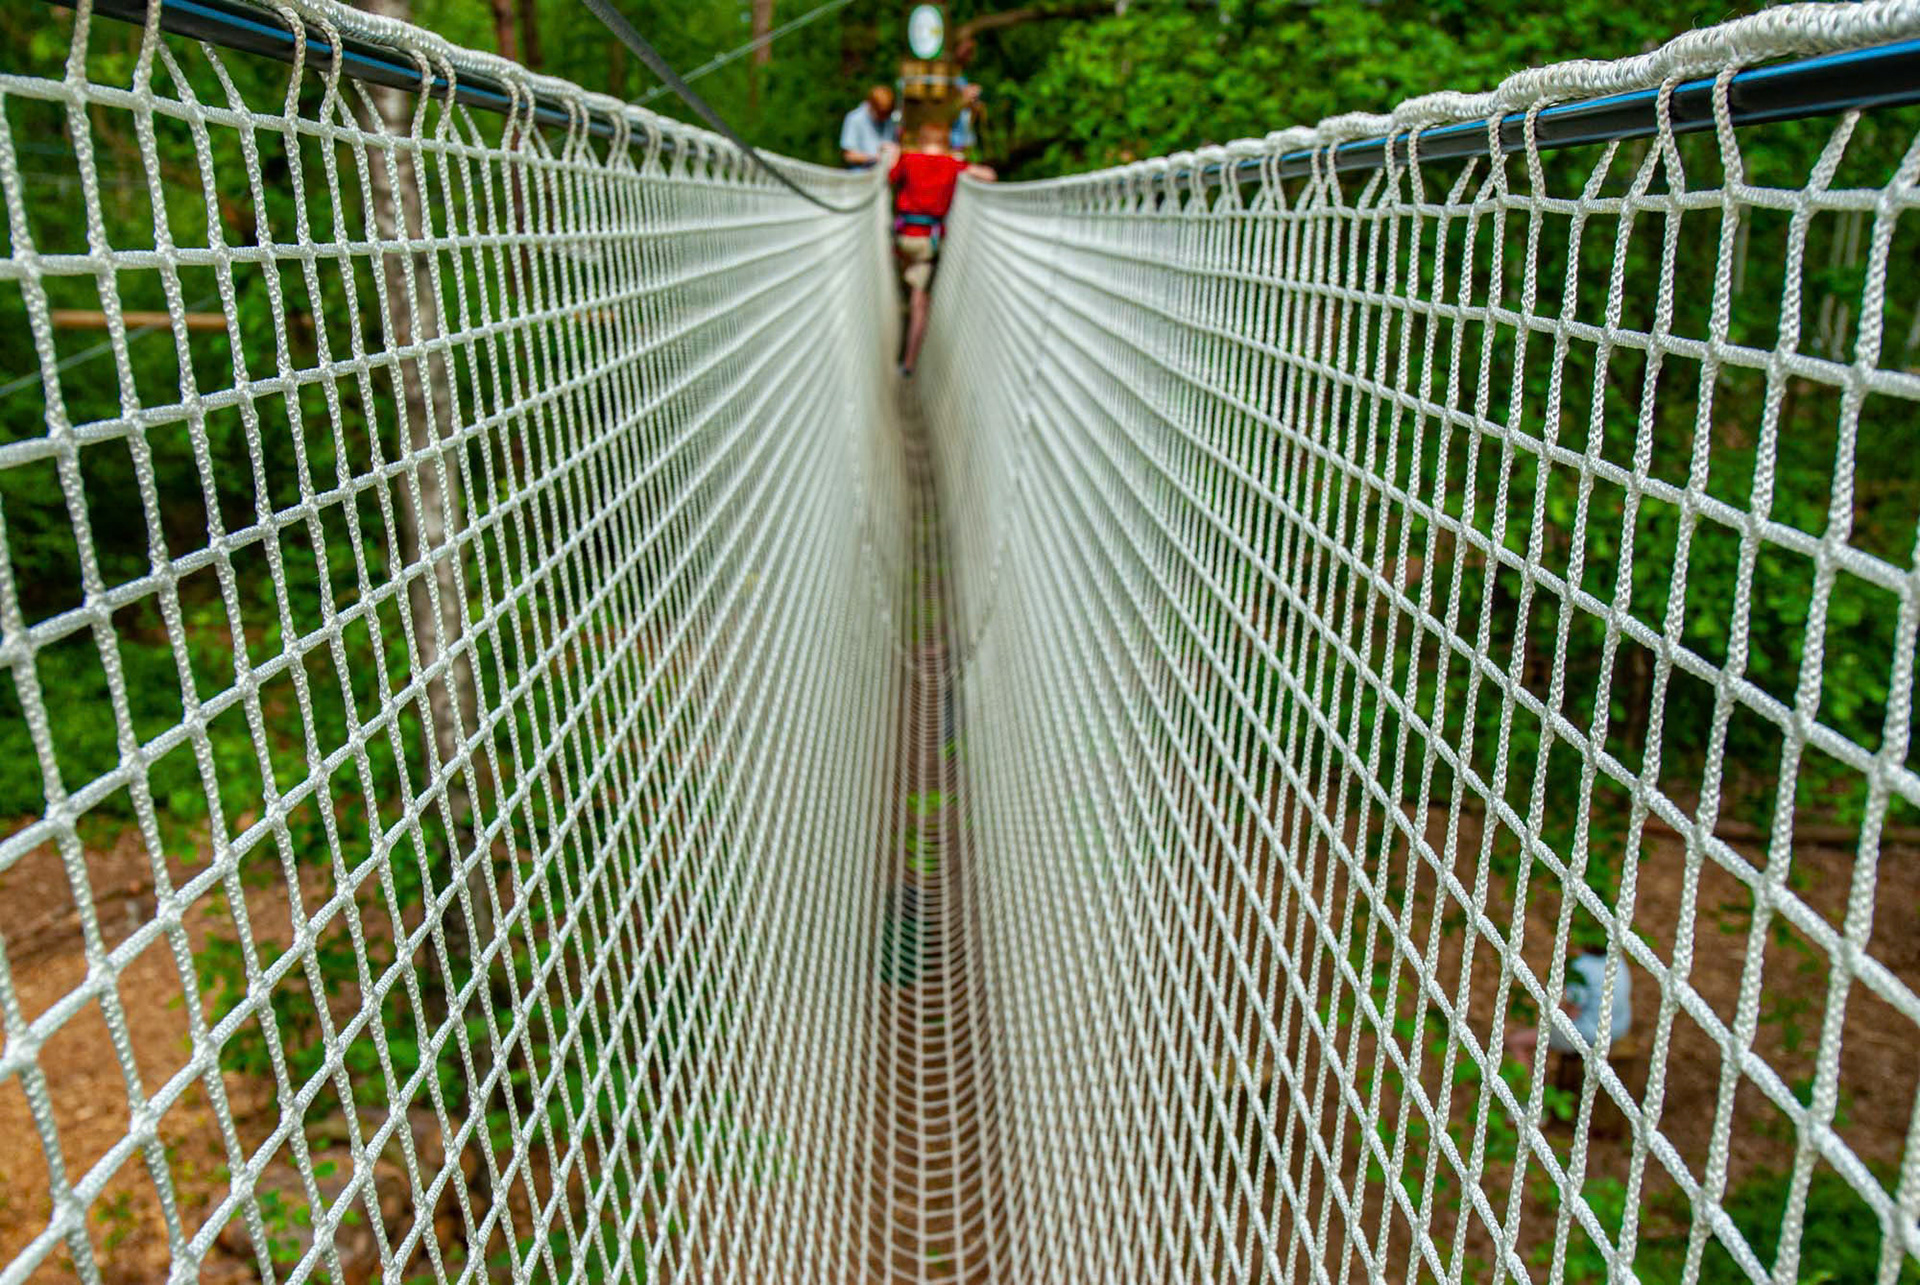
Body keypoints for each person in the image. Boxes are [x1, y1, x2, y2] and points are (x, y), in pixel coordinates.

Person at [889, 120, 994, 376]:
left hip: (904, 239)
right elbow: (990, 176)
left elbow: (891, 178)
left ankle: (899, 318)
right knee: (920, 302)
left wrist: (895, 154)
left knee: (900, 289)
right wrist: (961, 162)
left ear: (922, 140)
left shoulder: (910, 159)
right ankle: (910, 362)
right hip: (929, 243)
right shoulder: (952, 165)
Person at [1504, 949, 1633, 1065]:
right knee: (1546, 1036)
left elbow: (1571, 1012)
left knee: (1516, 1042)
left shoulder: (1582, 967)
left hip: (1590, 1035)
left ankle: (1525, 1088)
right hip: (1618, 1029)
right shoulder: (1616, 957)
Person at [840, 86, 897, 169]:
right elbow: (848, 155)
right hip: (861, 173)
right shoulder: (854, 118)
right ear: (871, 106)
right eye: (881, 113)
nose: (884, 117)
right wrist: (874, 158)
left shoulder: (889, 120)